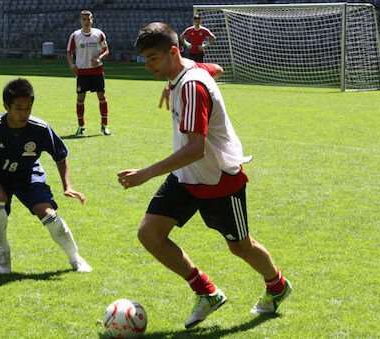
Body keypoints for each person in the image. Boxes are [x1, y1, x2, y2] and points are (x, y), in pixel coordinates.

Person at [119, 22, 291, 329]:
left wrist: (145, 174)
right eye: (145, 59)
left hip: (218, 179)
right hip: (186, 178)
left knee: (240, 246)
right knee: (150, 234)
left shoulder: (191, 87)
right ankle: (206, 292)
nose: (148, 66)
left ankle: (277, 286)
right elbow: (215, 68)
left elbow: (196, 148)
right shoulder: (185, 72)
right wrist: (170, 80)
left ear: (173, 52)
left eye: (153, 58)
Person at [0, 78, 92, 274]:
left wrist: (67, 186)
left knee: (49, 216)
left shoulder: (40, 128)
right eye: (19, 108)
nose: (24, 113)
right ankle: (3, 250)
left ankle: (75, 257)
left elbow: (60, 156)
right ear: (6, 106)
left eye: (28, 107)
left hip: (28, 175)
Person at [66, 10, 111, 136]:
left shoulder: (99, 34)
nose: (86, 21)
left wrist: (99, 58)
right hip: (82, 72)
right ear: (80, 20)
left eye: (88, 19)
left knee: (102, 97)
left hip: (97, 71)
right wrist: (71, 64)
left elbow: (106, 50)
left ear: (92, 20)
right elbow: (69, 52)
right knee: (80, 99)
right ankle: (81, 126)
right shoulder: (75, 35)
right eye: (84, 19)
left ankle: (104, 125)